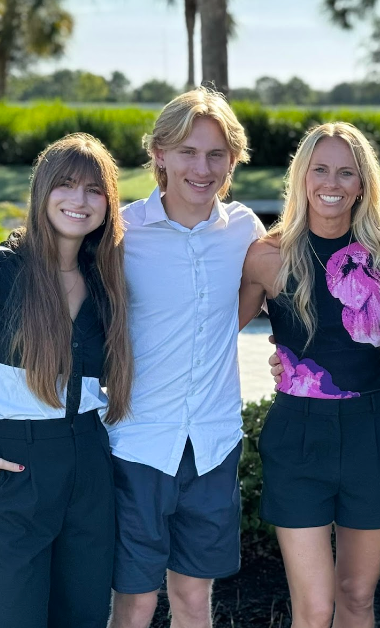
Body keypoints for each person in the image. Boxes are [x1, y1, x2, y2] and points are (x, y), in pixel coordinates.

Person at [107, 87, 265, 628]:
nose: (202, 168)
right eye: (188, 152)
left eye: (216, 154)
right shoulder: (121, 233)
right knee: (135, 604)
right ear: (160, 154)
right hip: (138, 444)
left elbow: (252, 302)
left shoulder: (244, 230)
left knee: (194, 601)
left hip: (213, 445)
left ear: (232, 161)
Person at [239, 121, 380, 628]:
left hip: (372, 430)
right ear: (302, 176)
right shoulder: (266, 256)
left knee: (356, 597)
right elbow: (211, 332)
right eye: (320, 170)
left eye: (346, 172)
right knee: (313, 610)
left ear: (362, 184)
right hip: (298, 434)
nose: (332, 183)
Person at [0, 133, 133, 627]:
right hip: (18, 464)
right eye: (67, 184)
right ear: (43, 190)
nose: (80, 199)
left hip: (89, 462)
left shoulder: (105, 283)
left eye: (94, 190)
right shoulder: (5, 272)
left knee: (83, 614)